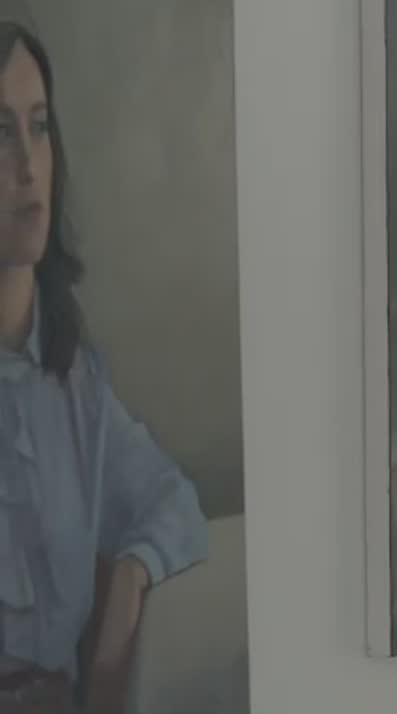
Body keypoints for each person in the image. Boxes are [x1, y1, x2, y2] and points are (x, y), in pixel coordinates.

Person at [0, 21, 209, 714]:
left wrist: (129, 580)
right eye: (0, 132)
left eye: (38, 128)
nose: (28, 165)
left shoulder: (75, 383)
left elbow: (171, 501)